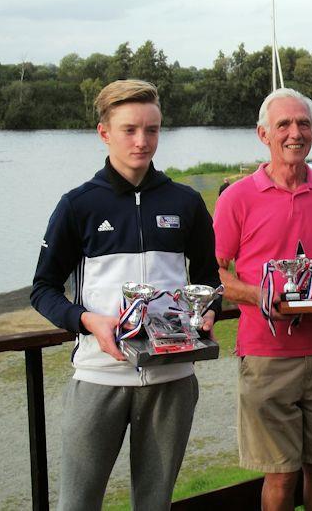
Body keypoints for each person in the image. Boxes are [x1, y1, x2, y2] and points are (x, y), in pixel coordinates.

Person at [30, 79, 220, 511]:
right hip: (99, 376)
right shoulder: (77, 205)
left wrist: (208, 311)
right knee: (77, 503)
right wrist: (87, 321)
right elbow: (42, 290)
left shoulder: (186, 202)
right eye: (130, 129)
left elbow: (209, 280)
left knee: (154, 505)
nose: (142, 141)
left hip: (172, 377)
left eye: (152, 129)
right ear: (104, 132)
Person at [213, 87, 312, 510]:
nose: (294, 133)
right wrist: (263, 295)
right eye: (284, 125)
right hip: (266, 355)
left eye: (303, 124)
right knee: (280, 474)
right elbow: (217, 273)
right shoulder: (236, 197)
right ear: (264, 134)